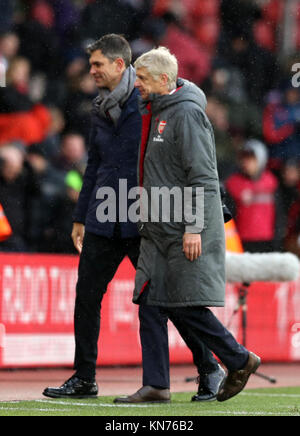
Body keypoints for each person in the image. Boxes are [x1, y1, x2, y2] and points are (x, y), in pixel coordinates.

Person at [115, 47, 261, 403]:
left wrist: (194, 227)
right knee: (148, 298)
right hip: (156, 227)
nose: (138, 87)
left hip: (183, 228)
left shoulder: (187, 115)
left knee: (181, 303)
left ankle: (238, 359)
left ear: (165, 81)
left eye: (144, 80)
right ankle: (157, 385)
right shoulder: (155, 109)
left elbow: (203, 176)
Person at [42, 34, 172, 401]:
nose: (92, 71)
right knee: (86, 296)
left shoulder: (147, 100)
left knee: (159, 300)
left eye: (98, 64)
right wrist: (80, 216)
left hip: (139, 216)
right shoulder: (100, 106)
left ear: (119, 65)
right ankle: (84, 378)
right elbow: (95, 163)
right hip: (103, 217)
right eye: (91, 64)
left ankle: (207, 367)